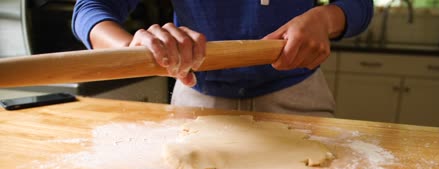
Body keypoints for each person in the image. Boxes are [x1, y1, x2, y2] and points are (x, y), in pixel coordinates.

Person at [73, 0, 373, 117]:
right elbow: (90, 9)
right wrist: (132, 48)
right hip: (197, 101)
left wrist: (325, 18)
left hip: (297, 97)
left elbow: (358, 4)